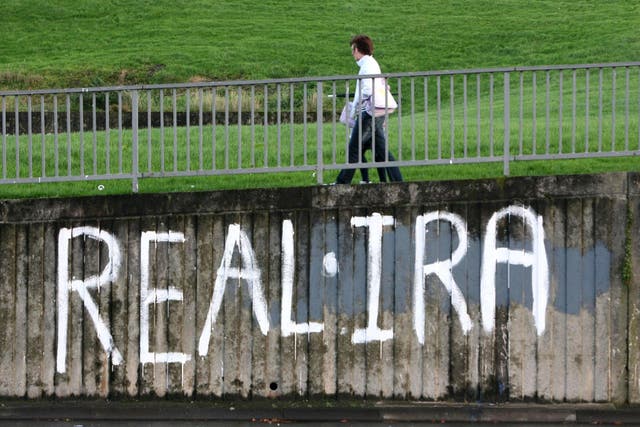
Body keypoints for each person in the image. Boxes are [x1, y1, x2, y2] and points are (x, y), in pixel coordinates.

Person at [335, 34, 403, 185]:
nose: (352, 53)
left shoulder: (367, 66)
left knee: (354, 149)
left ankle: (341, 183)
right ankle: (398, 182)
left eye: (353, 50)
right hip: (377, 112)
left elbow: (366, 89)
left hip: (369, 113)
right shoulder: (372, 63)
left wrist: (357, 107)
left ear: (358, 49)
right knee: (382, 151)